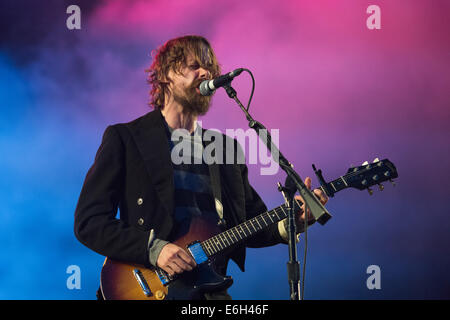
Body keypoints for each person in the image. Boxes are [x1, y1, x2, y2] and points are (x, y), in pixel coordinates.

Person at [74, 35, 328, 300]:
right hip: (147, 286)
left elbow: (252, 223)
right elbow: (89, 222)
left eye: (209, 68)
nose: (205, 73)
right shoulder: (126, 138)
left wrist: (293, 220)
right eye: (195, 65)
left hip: (209, 292)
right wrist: (154, 249)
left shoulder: (225, 149)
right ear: (167, 74)